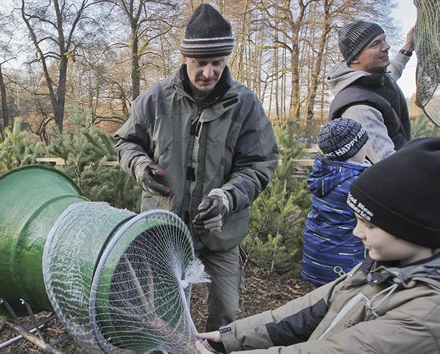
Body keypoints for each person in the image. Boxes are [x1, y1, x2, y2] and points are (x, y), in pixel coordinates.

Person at [114, 3, 279, 332]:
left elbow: (260, 163)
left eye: (217, 62)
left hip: (221, 232)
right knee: (165, 311)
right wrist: (141, 166)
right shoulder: (155, 98)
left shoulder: (244, 105)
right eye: (201, 63)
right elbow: (126, 143)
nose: (209, 72)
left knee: (226, 312)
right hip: (165, 231)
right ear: (185, 58)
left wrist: (227, 198)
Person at [196, 137, 440, 354]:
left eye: (370, 225)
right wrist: (230, 337)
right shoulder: (380, 268)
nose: (357, 232)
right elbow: (307, 312)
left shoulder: (428, 314)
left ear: (415, 230)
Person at [326, 20, 415, 163]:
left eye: (384, 40)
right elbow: (387, 163)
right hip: (392, 181)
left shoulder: (373, 79)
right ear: (355, 57)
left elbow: (392, 73)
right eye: (375, 44)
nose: (386, 47)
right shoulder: (358, 107)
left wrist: (408, 47)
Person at [300, 118, 370, 286]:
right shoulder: (356, 183)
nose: (367, 148)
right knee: (342, 304)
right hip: (344, 263)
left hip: (316, 256)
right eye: (364, 144)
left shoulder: (325, 174)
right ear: (354, 149)